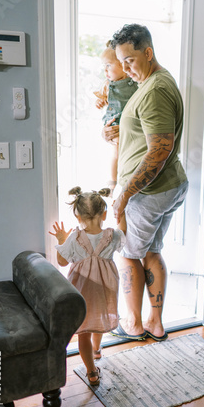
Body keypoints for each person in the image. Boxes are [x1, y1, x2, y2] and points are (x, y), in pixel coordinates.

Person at [102, 24, 188, 343]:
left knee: (126, 253)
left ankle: (134, 324)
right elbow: (147, 135)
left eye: (130, 60)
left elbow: (159, 150)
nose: (125, 68)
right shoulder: (153, 81)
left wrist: (124, 193)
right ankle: (155, 322)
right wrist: (117, 133)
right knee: (151, 250)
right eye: (120, 62)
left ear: (148, 53)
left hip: (148, 192)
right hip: (165, 187)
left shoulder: (153, 90)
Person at [49, 186, 126, 386]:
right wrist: (122, 211)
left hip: (81, 290)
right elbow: (124, 234)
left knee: (84, 330)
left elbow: (62, 262)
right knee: (100, 317)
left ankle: (91, 373)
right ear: (105, 214)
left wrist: (61, 239)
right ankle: (97, 350)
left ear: (78, 217)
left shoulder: (74, 237)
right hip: (105, 288)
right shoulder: (113, 235)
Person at [94, 41, 138, 204]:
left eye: (108, 65)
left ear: (122, 64)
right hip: (114, 121)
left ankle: (122, 183)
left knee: (126, 151)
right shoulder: (108, 84)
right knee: (118, 150)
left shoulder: (135, 83)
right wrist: (101, 102)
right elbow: (103, 99)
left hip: (128, 124)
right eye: (103, 66)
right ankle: (112, 185)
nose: (105, 70)